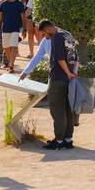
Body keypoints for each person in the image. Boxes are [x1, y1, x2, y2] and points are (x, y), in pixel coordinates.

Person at [20, 20, 78, 150]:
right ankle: (68, 139)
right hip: (70, 78)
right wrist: (73, 73)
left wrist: (68, 73)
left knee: (57, 110)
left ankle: (58, 140)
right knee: (67, 109)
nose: (44, 37)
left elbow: (60, 59)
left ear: (47, 29)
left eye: (44, 34)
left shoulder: (55, 37)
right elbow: (75, 56)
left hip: (58, 77)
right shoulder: (67, 35)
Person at [0, 0, 29, 73]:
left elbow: (24, 18)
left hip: (15, 29)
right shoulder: (3, 4)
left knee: (13, 46)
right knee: (5, 47)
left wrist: (24, 30)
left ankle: (11, 65)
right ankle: (10, 62)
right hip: (5, 28)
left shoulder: (19, 4)